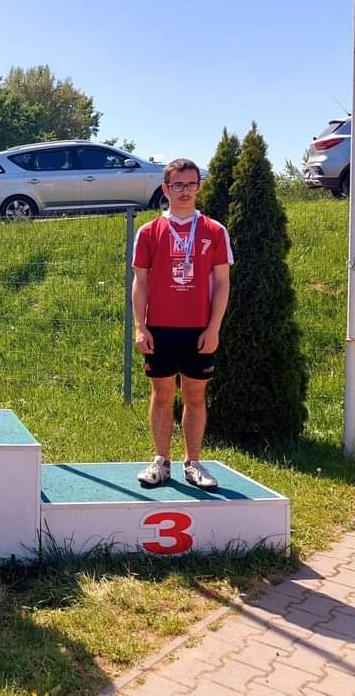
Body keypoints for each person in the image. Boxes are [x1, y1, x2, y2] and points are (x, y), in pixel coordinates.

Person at [132, 158, 231, 488]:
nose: (185, 191)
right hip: (159, 328)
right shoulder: (149, 232)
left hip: (199, 328)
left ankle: (194, 463)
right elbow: (140, 283)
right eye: (178, 185)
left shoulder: (214, 231)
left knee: (195, 395)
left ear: (199, 187)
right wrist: (140, 326)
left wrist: (214, 327)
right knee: (161, 394)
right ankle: (161, 462)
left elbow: (222, 282)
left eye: (191, 184)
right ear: (166, 188)